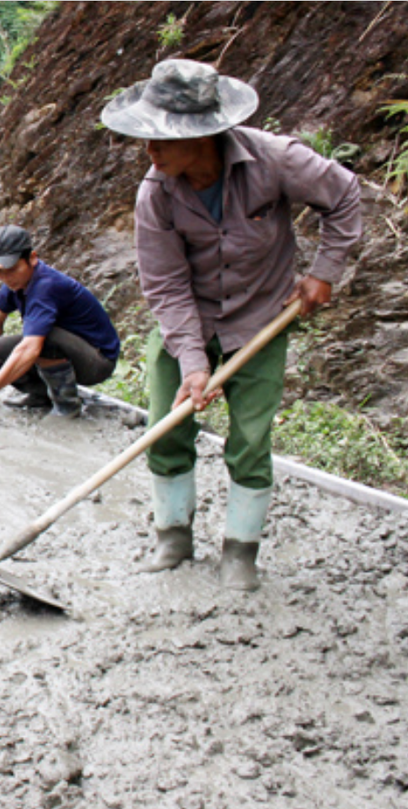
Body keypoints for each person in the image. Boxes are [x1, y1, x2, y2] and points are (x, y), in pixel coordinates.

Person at [101, 59, 361, 590]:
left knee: (249, 438)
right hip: (186, 320)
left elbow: (345, 195)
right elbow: (166, 285)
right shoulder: (156, 192)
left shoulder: (276, 160)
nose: (149, 151)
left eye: (161, 140)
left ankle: (240, 551)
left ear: (205, 136)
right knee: (165, 427)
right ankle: (172, 537)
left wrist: (323, 274)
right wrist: (194, 364)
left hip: (261, 317)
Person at [0, 224, 120, 419]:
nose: (5, 277)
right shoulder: (15, 283)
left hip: (97, 360)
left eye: (11, 269)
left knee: (44, 340)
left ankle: (66, 406)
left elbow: (30, 349)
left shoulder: (46, 286)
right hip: (67, 351)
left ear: (32, 258)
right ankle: (41, 395)